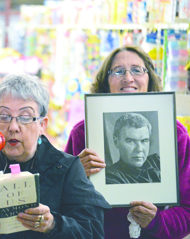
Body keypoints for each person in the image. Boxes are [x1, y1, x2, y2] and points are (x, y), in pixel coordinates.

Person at [65, 45, 190, 239]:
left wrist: (157, 221)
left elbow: (187, 212)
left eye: (137, 70)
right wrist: (74, 175)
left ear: (149, 78)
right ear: (106, 81)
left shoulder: (175, 134)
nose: (128, 78)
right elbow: (61, 207)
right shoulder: (83, 133)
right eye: (118, 71)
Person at [0, 73, 112, 238]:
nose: (13, 127)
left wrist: (53, 224)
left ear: (42, 124)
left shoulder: (66, 168)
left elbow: (92, 231)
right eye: (5, 117)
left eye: (25, 117)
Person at [106, 112, 161, 184]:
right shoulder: (110, 177)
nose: (139, 149)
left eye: (144, 141)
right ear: (116, 142)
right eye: (130, 141)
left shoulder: (156, 161)